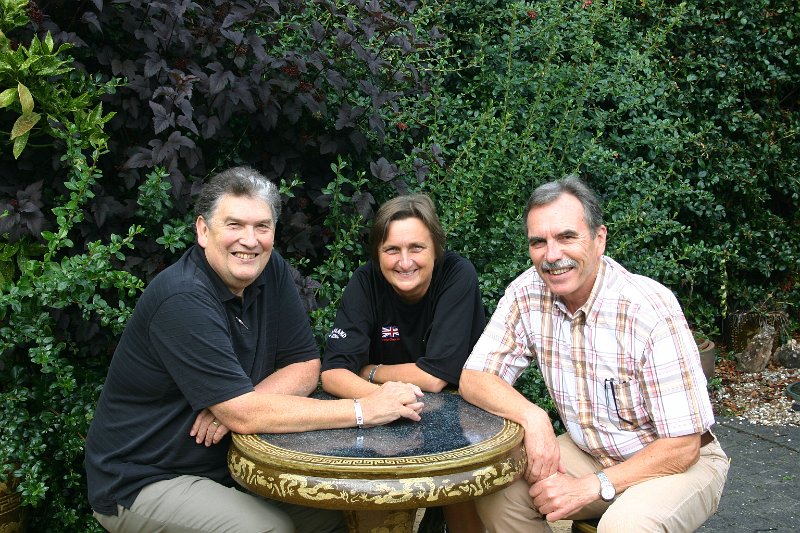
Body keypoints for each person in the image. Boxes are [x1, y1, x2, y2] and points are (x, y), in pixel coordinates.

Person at [85, 166, 425, 533]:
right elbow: (245, 416)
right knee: (267, 530)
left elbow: (307, 365)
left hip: (229, 466)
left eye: (262, 227)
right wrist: (364, 409)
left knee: (348, 511)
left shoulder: (269, 270)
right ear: (203, 230)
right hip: (144, 479)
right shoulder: (182, 298)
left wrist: (240, 404)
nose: (250, 240)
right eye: (234, 225)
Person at [459, 176, 729, 533]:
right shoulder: (527, 293)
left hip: (675, 463)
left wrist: (593, 485)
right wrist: (533, 416)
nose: (552, 255)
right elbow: (475, 377)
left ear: (599, 239)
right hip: (591, 451)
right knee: (497, 489)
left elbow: (682, 447)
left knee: (624, 527)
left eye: (567, 237)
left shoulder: (648, 309)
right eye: (539, 242)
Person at [321, 193, 487, 533]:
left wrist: (371, 371)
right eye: (391, 250)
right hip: (388, 421)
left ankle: (443, 516)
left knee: (460, 493)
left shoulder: (457, 274)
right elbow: (332, 373)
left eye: (416, 248)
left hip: (461, 415)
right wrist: (378, 400)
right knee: (373, 503)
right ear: (377, 254)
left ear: (436, 249)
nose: (404, 261)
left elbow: (435, 376)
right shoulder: (365, 282)